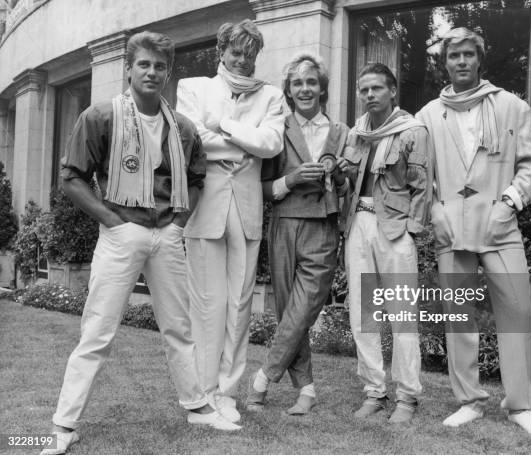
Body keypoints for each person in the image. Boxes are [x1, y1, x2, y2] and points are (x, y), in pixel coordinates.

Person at [41, 31, 240, 455]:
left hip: (167, 233)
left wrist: (179, 222)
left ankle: (197, 407)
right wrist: (112, 220)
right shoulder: (100, 117)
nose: (152, 72)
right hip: (121, 232)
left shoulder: (183, 128)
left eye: (160, 66)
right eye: (144, 64)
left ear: (168, 73)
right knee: (97, 331)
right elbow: (72, 176)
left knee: (178, 328)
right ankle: (63, 424)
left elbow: (199, 177)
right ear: (127, 69)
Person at [416, 27, 531, 437]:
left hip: (499, 225)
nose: (461, 62)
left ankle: (521, 405)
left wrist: (509, 202)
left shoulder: (512, 106)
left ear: (479, 59)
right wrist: (434, 210)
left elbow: (530, 165)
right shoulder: (427, 115)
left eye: (467, 55)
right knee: (458, 314)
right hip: (451, 227)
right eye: (453, 55)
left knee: (518, 311)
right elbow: (420, 176)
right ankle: (469, 400)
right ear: (445, 62)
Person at [175, 19, 284, 424]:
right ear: (221, 51)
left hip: (247, 209)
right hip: (206, 209)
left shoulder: (271, 96)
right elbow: (192, 139)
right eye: (235, 51)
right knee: (207, 305)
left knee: (239, 305)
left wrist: (223, 126)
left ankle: (227, 393)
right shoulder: (193, 87)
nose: (242, 60)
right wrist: (243, 144)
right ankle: (203, 393)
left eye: (249, 53)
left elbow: (270, 144)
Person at [247, 53, 349, 415]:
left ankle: (262, 378)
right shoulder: (277, 128)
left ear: (322, 88)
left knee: (302, 309)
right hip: (284, 223)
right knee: (290, 311)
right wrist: (289, 180)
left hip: (322, 226)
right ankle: (306, 389)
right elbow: (259, 186)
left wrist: (336, 175)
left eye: (311, 82)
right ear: (289, 91)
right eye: (297, 83)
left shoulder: (341, 133)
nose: (305, 89)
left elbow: (348, 184)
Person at [342, 63, 431, 424]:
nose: (369, 95)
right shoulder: (357, 132)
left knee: (402, 314)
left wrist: (412, 229)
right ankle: (374, 391)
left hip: (394, 229)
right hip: (358, 224)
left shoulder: (412, 130)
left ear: (392, 91)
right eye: (363, 90)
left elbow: (422, 184)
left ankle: (407, 397)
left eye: (376, 88)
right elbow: (348, 181)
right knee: (363, 312)